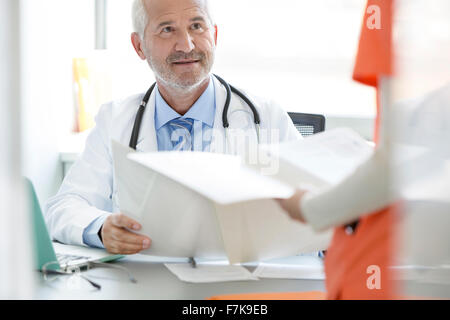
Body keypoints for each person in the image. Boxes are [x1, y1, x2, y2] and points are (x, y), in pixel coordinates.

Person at [45, 0, 301, 255]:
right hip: (144, 284)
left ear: (214, 35)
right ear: (139, 46)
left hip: (240, 284)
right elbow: (63, 207)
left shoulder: (265, 118)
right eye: (167, 29)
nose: (187, 45)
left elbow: (319, 209)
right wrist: (101, 228)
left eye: (197, 26)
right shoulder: (115, 120)